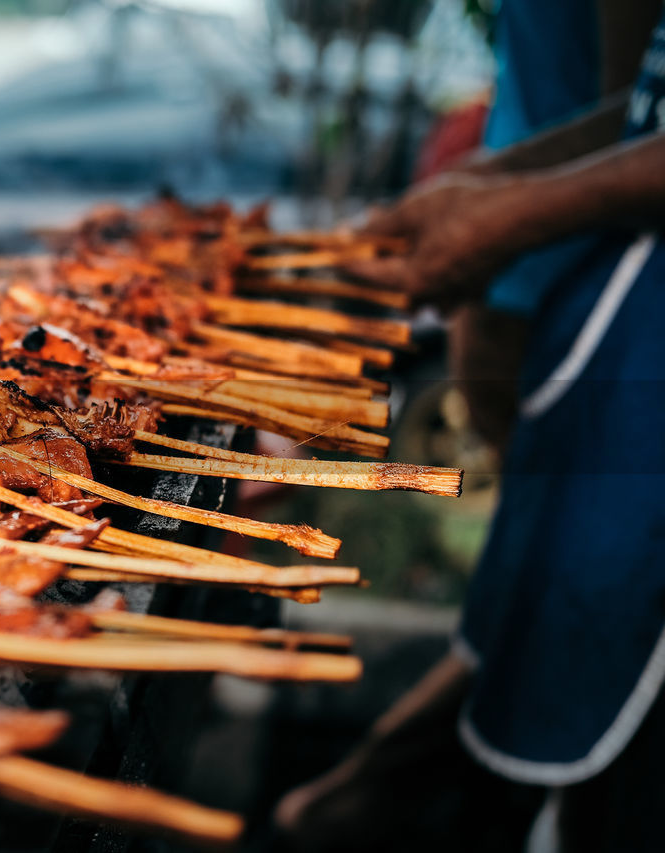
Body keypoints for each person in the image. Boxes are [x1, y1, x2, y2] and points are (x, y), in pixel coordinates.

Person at [272, 2, 665, 850]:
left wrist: (513, 218)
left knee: (619, 736)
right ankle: (360, 803)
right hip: (598, 327)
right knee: (547, 620)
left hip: (621, 338)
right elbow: (644, 111)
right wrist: (484, 188)